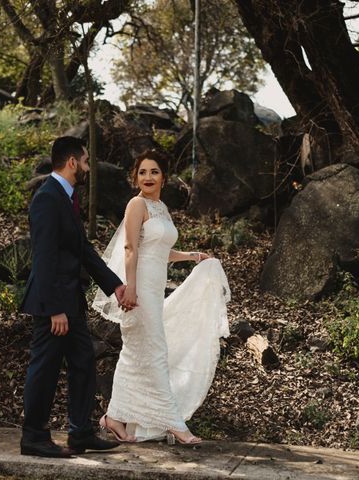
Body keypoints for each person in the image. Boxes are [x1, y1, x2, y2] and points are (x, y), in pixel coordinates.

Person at [92, 149, 230, 445]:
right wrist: (130, 287)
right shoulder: (136, 204)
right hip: (138, 289)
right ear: (136, 178)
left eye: (153, 172)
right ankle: (174, 424)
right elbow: (131, 248)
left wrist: (192, 256)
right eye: (142, 172)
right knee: (154, 352)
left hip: (154, 291)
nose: (148, 177)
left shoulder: (162, 208)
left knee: (136, 353)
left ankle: (115, 417)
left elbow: (160, 251)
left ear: (163, 177)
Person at [20, 136, 129, 457]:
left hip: (71, 302)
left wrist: (114, 285)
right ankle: (33, 437)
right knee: (45, 369)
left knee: (83, 363)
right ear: (71, 162)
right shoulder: (47, 199)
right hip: (52, 304)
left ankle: (80, 433)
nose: (86, 168)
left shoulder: (66, 198)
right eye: (84, 162)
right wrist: (54, 309)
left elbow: (82, 250)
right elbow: (44, 257)